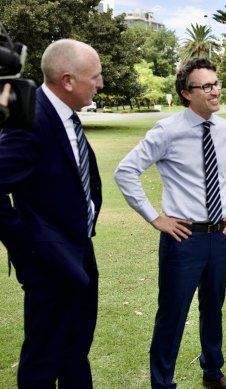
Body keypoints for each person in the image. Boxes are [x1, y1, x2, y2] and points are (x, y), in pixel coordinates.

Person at [114, 57, 226, 389]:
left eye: (216, 83)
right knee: (172, 316)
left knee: (213, 309)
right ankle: (163, 384)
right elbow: (125, 172)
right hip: (183, 239)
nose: (215, 90)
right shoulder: (168, 131)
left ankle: (213, 373)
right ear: (186, 93)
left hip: (219, 237)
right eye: (206, 86)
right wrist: (155, 217)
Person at [0, 39, 103, 388]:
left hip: (80, 253)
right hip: (46, 263)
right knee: (43, 361)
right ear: (68, 79)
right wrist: (27, 252)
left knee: (76, 351)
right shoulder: (30, 117)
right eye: (96, 76)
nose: (101, 83)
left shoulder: (67, 114)